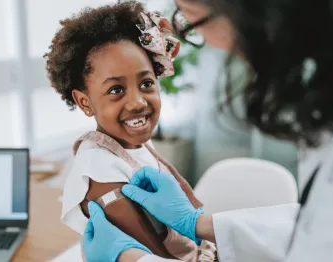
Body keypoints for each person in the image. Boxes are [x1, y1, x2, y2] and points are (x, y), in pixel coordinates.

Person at [82, 0, 333, 261]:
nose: (209, 43)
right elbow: (319, 227)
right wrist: (200, 224)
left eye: (194, 23)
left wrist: (132, 261)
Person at [44, 2, 215, 261]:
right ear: (84, 102)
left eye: (146, 83)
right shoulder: (100, 168)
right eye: (116, 90)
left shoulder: (134, 142)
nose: (137, 102)